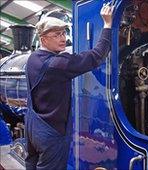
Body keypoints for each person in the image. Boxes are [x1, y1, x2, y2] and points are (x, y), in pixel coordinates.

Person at [25, 3, 114, 170]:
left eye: (64, 33)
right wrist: (107, 25)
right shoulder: (58, 64)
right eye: (57, 34)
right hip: (51, 131)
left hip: (32, 126)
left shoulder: (33, 58)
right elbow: (97, 56)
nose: (63, 38)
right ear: (43, 39)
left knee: (30, 166)